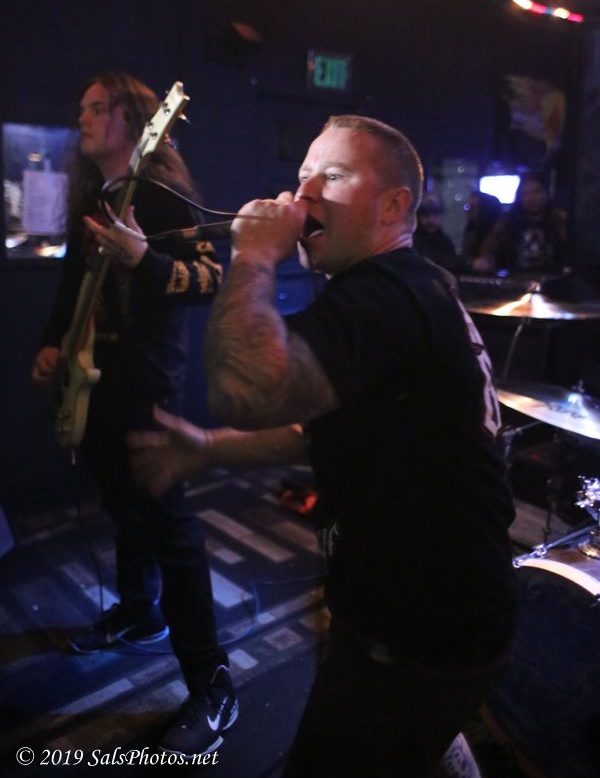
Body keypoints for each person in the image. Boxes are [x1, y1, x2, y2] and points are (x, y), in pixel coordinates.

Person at [134, 115, 517, 777]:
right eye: (303, 173)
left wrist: (255, 256)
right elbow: (315, 430)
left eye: (332, 176)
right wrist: (208, 448)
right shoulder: (409, 286)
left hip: (419, 633)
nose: (303, 192)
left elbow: (243, 391)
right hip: (438, 616)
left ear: (393, 205)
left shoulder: (386, 294)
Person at [31, 71, 237, 759]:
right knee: (124, 507)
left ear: (134, 120)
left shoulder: (159, 194)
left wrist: (146, 259)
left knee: (170, 531)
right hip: (94, 384)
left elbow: (210, 278)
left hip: (149, 388)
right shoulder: (95, 198)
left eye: (98, 108)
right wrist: (53, 344)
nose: (83, 117)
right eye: (83, 107)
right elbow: (72, 287)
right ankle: (139, 611)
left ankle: (213, 685)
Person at [472, 173, 567, 275]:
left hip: (552, 280)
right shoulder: (508, 222)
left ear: (546, 193)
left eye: (536, 192)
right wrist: (485, 261)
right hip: (517, 279)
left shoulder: (558, 219)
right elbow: (487, 249)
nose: (531, 198)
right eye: (525, 194)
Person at [413, 193, 460, 273]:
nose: (430, 219)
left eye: (435, 214)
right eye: (425, 214)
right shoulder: (412, 241)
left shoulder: (445, 242)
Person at [460, 190, 503, 271]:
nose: (468, 211)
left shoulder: (497, 235)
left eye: (473, 208)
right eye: (468, 207)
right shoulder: (471, 232)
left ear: (487, 210)